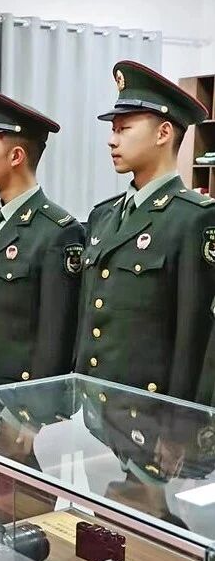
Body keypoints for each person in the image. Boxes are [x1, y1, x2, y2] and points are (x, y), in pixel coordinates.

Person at [75, 61, 215, 401]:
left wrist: (181, 421)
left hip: (149, 412)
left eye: (124, 129)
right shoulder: (103, 216)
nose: (111, 140)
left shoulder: (193, 219)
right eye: (113, 130)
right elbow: (88, 317)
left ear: (163, 133)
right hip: (93, 403)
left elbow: (194, 337)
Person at [0, 86, 84, 391]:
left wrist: (37, 404)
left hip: (17, 395)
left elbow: (55, 335)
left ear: (16, 156)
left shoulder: (56, 230)